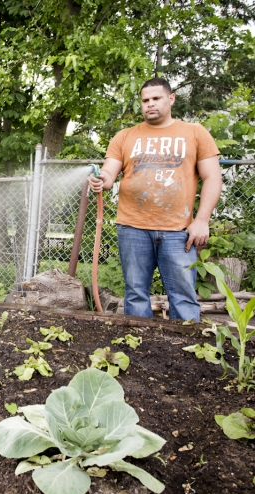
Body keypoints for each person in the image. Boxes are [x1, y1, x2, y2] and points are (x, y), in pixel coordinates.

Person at [88, 77, 222, 321]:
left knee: (182, 295)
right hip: (133, 228)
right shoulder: (125, 136)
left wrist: (202, 220)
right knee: (136, 294)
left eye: (156, 98)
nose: (150, 104)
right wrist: (101, 179)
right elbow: (109, 173)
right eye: (145, 100)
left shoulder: (194, 133)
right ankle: (138, 349)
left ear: (171, 98)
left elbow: (213, 177)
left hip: (179, 231)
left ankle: (189, 350)